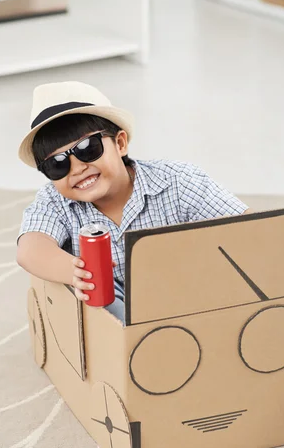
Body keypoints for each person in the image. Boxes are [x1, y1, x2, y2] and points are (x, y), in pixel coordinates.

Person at [17, 81, 248, 325]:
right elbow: (31, 249)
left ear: (120, 144)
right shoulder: (55, 201)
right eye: (57, 164)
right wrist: (79, 272)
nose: (78, 168)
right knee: (99, 294)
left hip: (188, 294)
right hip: (112, 310)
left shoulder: (176, 181)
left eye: (87, 148)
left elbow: (252, 228)